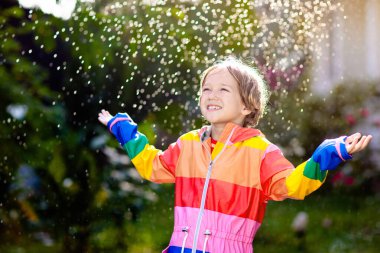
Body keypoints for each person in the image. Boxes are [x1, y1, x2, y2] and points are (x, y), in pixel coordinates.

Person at [98, 57, 372, 253]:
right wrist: (129, 135)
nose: (211, 95)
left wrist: (326, 155)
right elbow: (153, 167)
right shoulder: (189, 144)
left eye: (223, 89)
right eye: (206, 89)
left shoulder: (261, 152)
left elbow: (292, 185)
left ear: (246, 106)